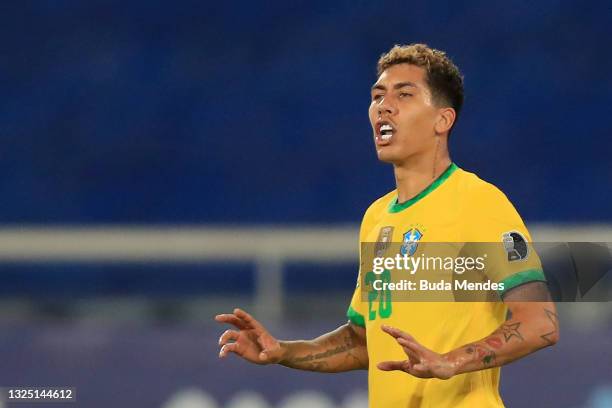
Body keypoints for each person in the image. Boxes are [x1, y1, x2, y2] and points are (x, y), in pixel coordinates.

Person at [215, 43, 558, 407]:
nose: (384, 106)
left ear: (443, 120)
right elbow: (364, 341)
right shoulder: (377, 218)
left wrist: (453, 361)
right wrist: (284, 351)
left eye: (404, 94)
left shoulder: (479, 203)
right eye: (377, 96)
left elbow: (540, 323)